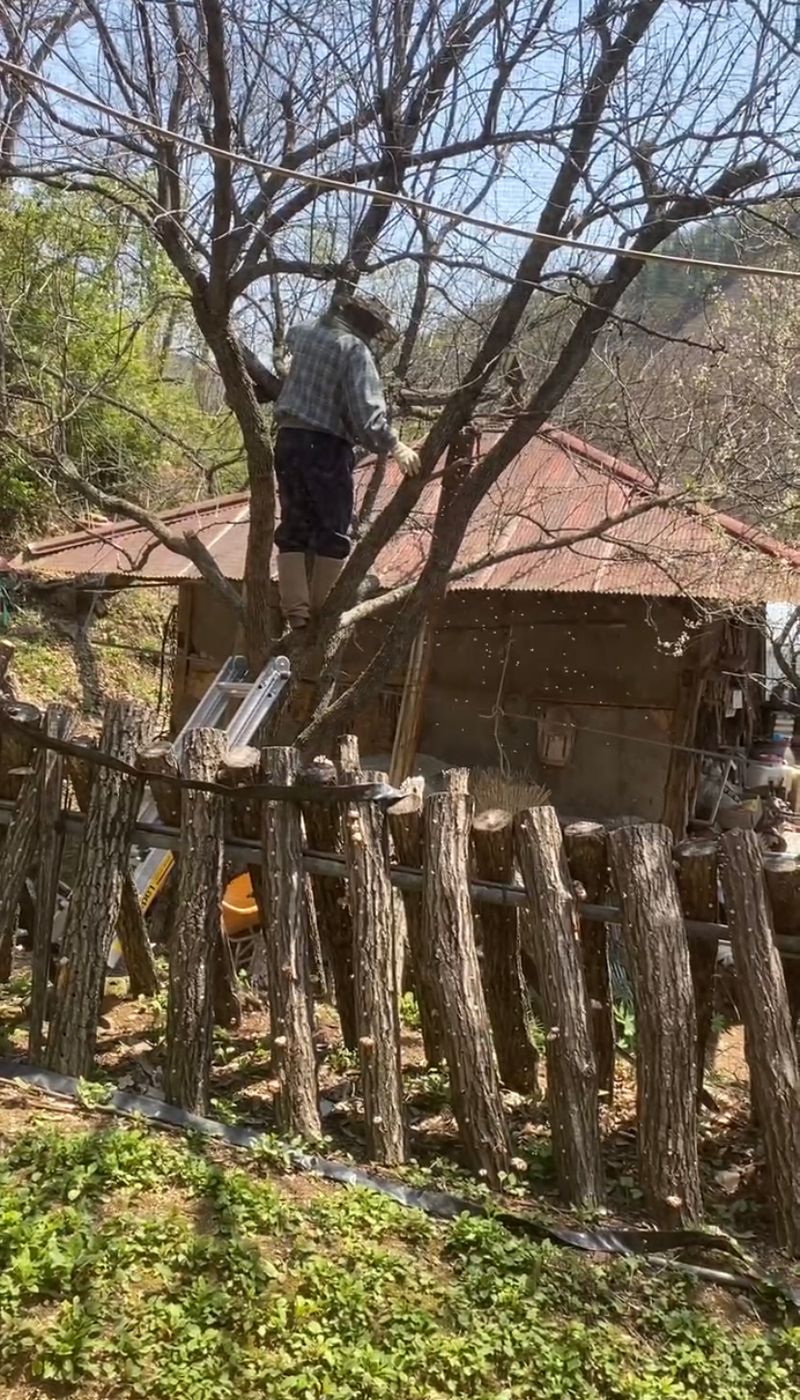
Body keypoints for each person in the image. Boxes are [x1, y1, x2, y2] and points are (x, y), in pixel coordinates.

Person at [273, 288, 421, 629]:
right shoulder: (355, 351)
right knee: (333, 530)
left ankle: (296, 611)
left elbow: (288, 356)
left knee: (293, 526)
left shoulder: (306, 332)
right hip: (325, 447)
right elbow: (367, 412)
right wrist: (395, 445)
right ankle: (325, 612)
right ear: (369, 327)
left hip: (288, 440)